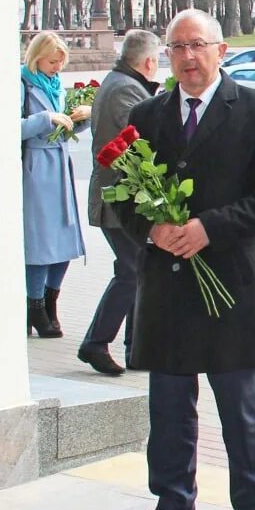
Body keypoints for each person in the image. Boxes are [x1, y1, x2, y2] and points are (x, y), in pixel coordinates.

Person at [118, 9, 255, 510]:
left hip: (228, 283)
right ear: (166, 56)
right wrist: (153, 228)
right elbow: (122, 190)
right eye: (177, 48)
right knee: (168, 404)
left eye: (198, 46)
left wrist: (207, 229)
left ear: (221, 51)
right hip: (167, 285)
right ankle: (172, 498)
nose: (188, 58)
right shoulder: (147, 116)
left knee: (243, 407)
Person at [78, 29, 161, 376]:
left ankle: (134, 348)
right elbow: (144, 139)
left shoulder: (117, 81)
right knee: (133, 271)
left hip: (117, 198)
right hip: (118, 200)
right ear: (149, 62)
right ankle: (96, 343)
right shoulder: (126, 89)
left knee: (136, 270)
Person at [20, 31, 91, 338]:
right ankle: (34, 304)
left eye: (60, 63)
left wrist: (82, 117)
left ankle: (50, 301)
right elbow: (9, 127)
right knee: (40, 244)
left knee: (64, 240)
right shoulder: (22, 83)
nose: (56, 68)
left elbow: (63, 127)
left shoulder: (55, 85)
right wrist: (46, 118)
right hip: (36, 169)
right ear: (37, 57)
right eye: (52, 62)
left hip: (59, 165)